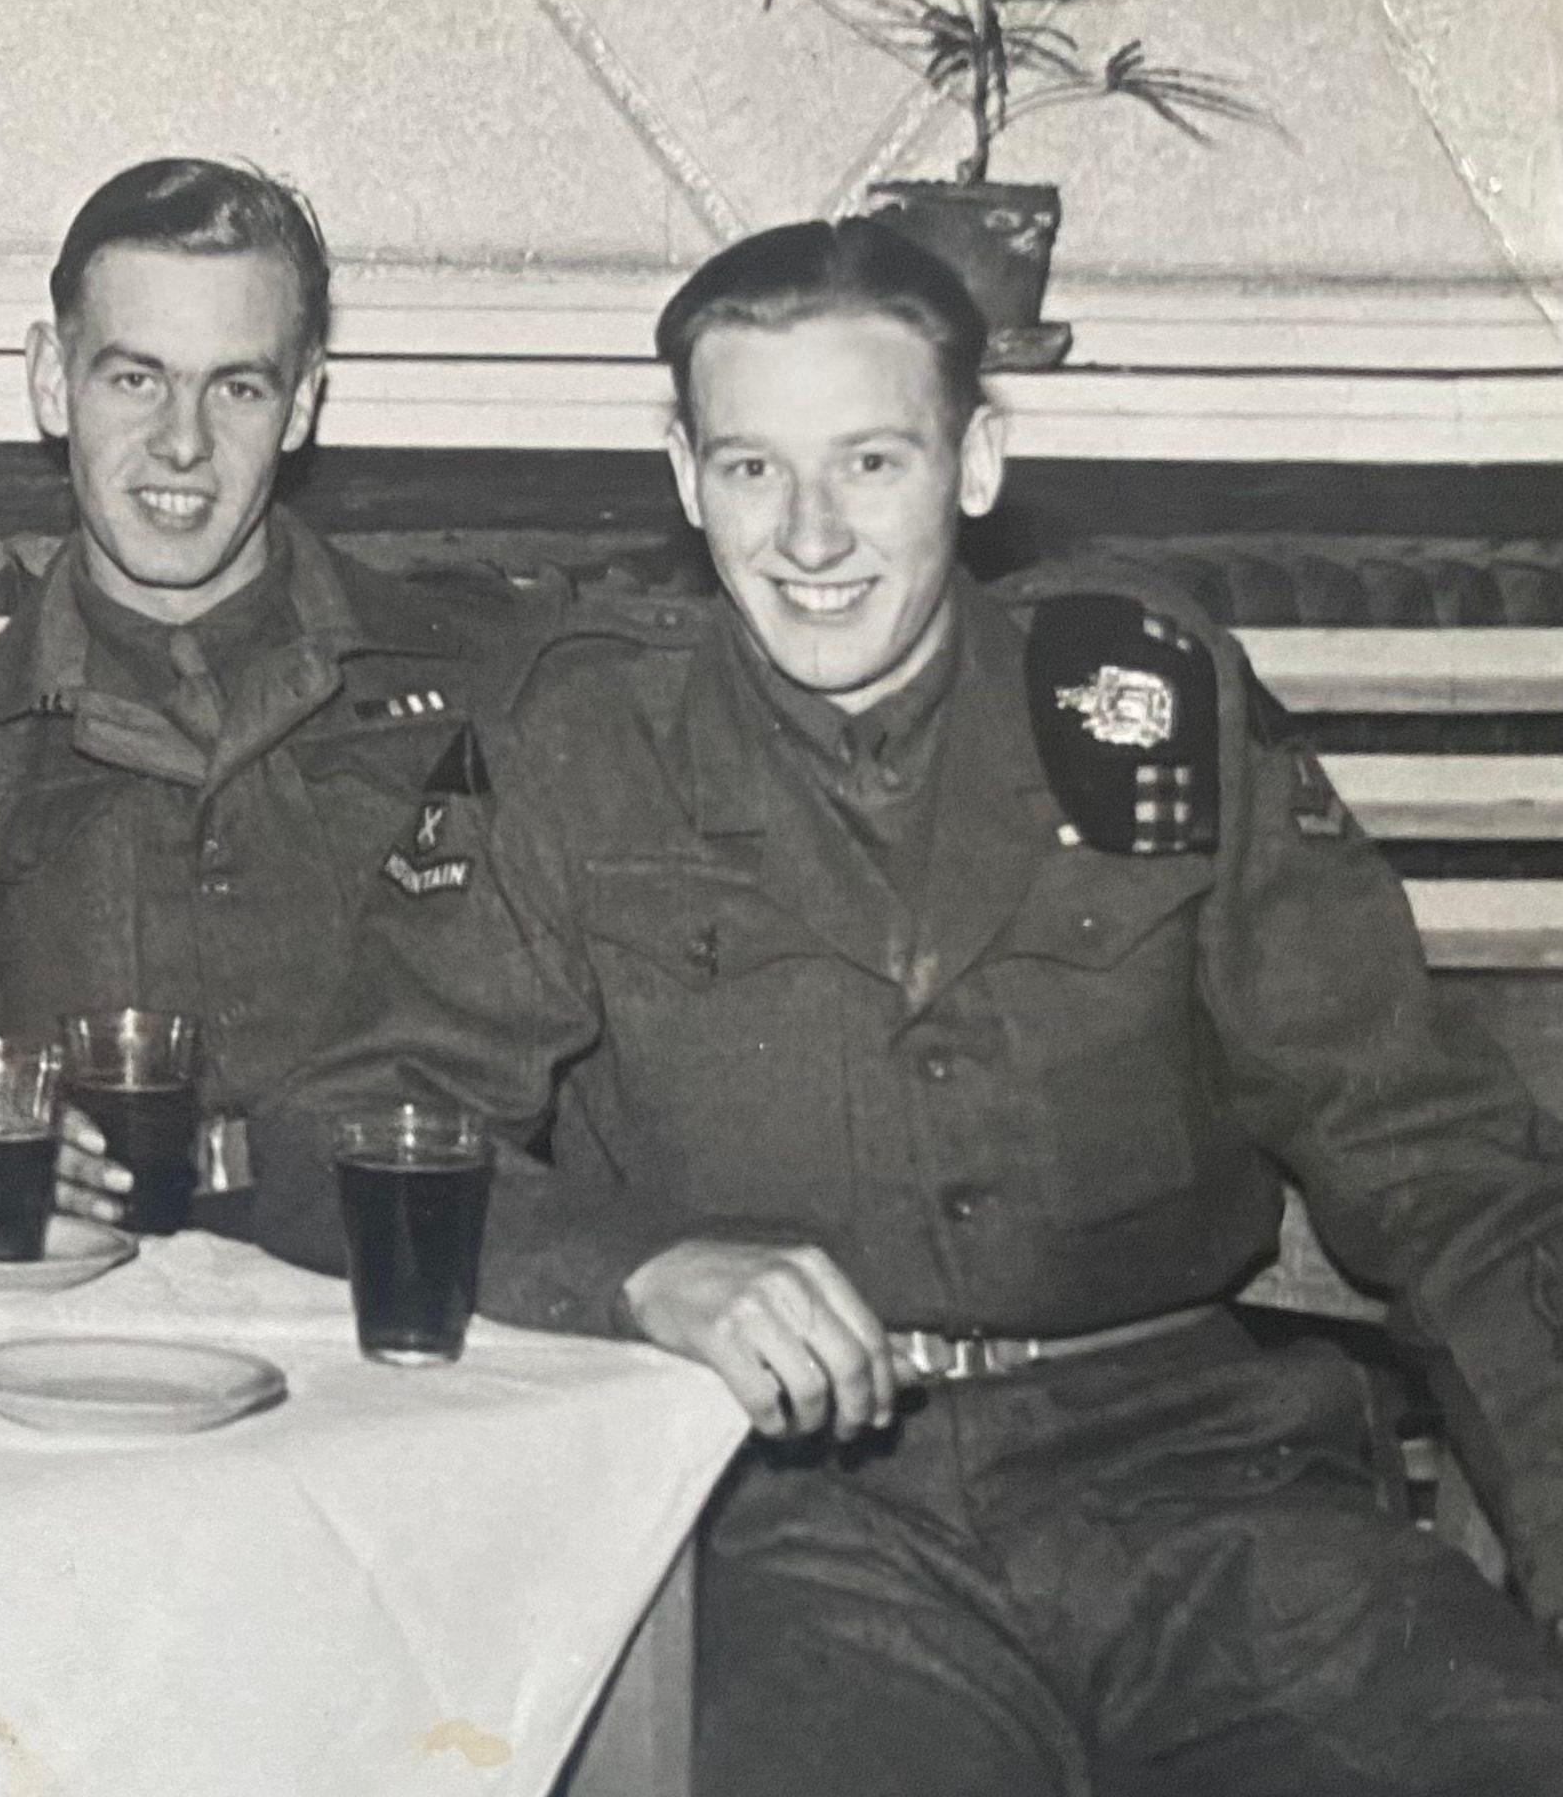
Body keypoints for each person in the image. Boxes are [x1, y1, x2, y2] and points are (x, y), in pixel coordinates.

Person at [260, 218, 1563, 1795]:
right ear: (684, 477)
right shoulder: (576, 732)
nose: (811, 535)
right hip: (796, 1539)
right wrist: (641, 1269)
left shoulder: (1142, 698)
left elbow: (1438, 1159)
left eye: (871, 462)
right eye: (751, 469)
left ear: (978, 457)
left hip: (1219, 1502)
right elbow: (337, 1132)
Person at [0, 157, 544, 1226]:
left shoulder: (460, 679)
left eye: (237, 386)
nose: (183, 444)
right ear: (54, 381)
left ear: (302, 403)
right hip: (77, 1295)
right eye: (135, 378)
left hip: (383, 1269)